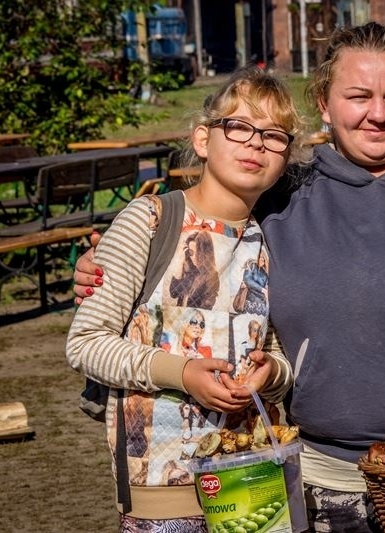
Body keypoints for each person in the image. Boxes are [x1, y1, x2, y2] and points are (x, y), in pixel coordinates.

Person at [74, 22, 385, 533]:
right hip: (321, 481)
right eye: (358, 96)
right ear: (325, 105)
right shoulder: (282, 197)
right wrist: (107, 265)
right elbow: (203, 237)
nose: (379, 113)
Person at [65, 65, 305, 532]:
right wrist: (182, 373)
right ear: (202, 139)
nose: (256, 143)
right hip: (160, 487)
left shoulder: (270, 239)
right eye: (239, 127)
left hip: (251, 480)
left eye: (274, 136)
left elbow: (276, 353)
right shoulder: (150, 220)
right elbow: (85, 343)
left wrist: (272, 373)